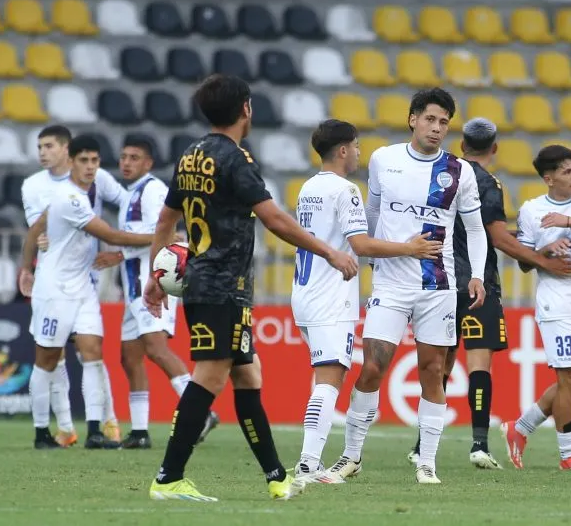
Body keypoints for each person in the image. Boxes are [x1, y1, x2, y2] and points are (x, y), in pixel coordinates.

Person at [142, 74, 358, 502]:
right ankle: (168, 477)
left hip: (211, 284)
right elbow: (275, 219)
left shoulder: (191, 155)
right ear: (245, 109)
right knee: (211, 376)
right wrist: (330, 253)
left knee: (248, 375)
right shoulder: (236, 160)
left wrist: (156, 270)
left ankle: (277, 477)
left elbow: (168, 218)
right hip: (222, 286)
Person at [324, 88, 488, 485]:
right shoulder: (384, 159)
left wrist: (477, 274)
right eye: (430, 119)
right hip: (391, 283)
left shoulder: (460, 171)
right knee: (373, 368)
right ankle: (350, 457)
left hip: (439, 284)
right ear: (413, 118)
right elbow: (374, 211)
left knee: (433, 370)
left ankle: (427, 462)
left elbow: (477, 229)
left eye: (444, 122)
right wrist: (376, 255)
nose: (436, 128)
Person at [407, 119, 571, 469]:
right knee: (478, 362)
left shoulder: (444, 172)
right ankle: (479, 445)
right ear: (495, 148)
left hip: (439, 278)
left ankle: (420, 445)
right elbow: (498, 238)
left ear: (462, 145)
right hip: (477, 281)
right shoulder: (487, 182)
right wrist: (540, 260)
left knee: (439, 361)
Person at [292, 119, 443, 481]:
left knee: (323, 377)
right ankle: (309, 462)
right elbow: (360, 245)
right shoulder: (346, 190)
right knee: (329, 379)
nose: (360, 153)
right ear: (343, 149)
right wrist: (410, 248)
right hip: (330, 298)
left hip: (304, 293)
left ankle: (309, 459)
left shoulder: (307, 188)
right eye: (357, 146)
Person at [20, 136, 153, 450]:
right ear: (72, 162)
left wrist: (26, 266)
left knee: (93, 354)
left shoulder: (83, 192)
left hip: (83, 287)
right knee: (47, 360)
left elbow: (36, 229)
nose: (91, 167)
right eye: (84, 161)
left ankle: (95, 430)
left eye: (95, 161)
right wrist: (159, 236)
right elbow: (110, 234)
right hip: (54, 290)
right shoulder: (68, 197)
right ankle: (41, 432)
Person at [92, 135, 220, 449]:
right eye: (123, 157)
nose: (126, 162)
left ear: (148, 163)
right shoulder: (131, 195)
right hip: (133, 286)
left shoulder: (153, 191)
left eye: (134, 157)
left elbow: (166, 234)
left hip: (152, 284)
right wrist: (123, 256)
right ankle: (139, 432)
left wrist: (121, 252)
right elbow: (150, 236)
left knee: (156, 348)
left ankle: (201, 410)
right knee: (130, 356)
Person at [501, 145, 571, 471]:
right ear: (549, 179)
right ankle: (569, 455)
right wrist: (545, 251)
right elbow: (524, 264)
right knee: (568, 378)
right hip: (556, 304)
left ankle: (520, 428)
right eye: (566, 171)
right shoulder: (532, 210)